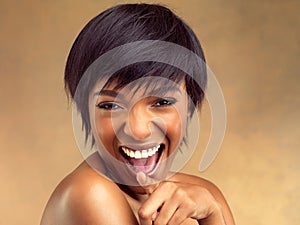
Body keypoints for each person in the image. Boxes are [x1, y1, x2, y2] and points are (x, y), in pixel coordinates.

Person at [41, 3, 235, 225]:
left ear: (189, 106)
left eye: (162, 102)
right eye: (110, 106)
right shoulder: (89, 194)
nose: (138, 130)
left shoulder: (204, 196)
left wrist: (213, 215)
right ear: (86, 113)